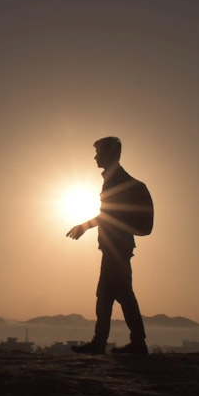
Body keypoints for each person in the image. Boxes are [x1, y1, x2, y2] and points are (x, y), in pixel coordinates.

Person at [66, 136, 150, 355]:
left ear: (110, 154)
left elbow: (109, 216)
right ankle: (101, 342)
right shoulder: (113, 179)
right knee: (105, 294)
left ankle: (135, 343)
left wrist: (84, 226)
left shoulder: (117, 181)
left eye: (99, 152)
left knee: (122, 294)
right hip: (113, 247)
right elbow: (108, 216)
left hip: (117, 247)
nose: (95, 157)